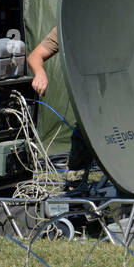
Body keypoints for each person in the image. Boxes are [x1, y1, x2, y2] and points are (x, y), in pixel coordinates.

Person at [26, 25, 94, 172]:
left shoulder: (117, 18)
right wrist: (40, 72)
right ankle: (77, 177)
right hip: (89, 107)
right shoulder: (69, 22)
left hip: (118, 102)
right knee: (80, 153)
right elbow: (35, 56)